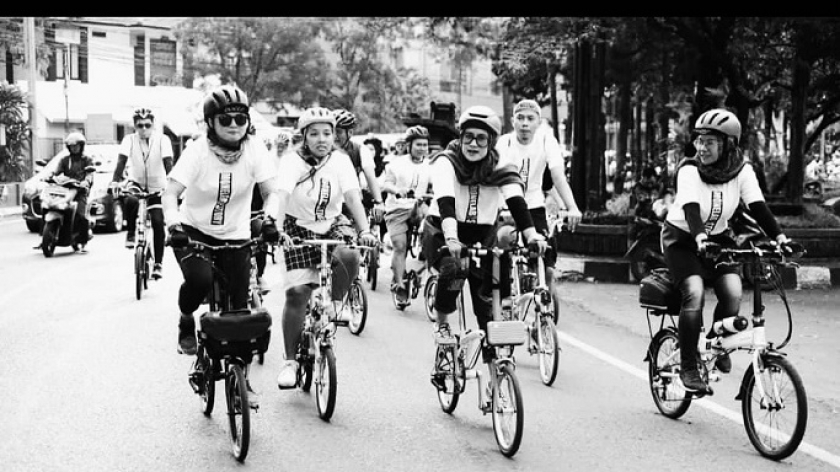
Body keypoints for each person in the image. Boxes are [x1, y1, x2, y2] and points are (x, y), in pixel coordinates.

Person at [663, 108, 794, 394]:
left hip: (718, 237)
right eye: (699, 140)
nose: (701, 147)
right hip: (682, 239)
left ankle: (714, 340)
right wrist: (698, 236)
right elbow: (690, 207)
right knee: (694, 292)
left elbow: (758, 206)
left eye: (710, 142)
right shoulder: (689, 169)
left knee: (733, 292)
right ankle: (688, 366)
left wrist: (781, 238)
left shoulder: (742, 170)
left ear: (728, 144)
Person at [162, 84, 281, 368]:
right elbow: (170, 193)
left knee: (239, 311)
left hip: (236, 234)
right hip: (193, 232)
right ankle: (187, 319)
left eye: (241, 118)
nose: (234, 125)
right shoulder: (198, 151)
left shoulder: (254, 150)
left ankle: (238, 378)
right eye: (225, 119)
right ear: (211, 122)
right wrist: (173, 225)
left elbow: (270, 192)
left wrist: (269, 219)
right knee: (199, 281)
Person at [423, 105, 549, 372]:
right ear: (461, 136)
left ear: (491, 141)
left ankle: (495, 367)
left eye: (481, 138)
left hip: (482, 235)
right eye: (468, 136)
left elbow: (517, 202)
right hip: (444, 231)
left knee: (488, 303)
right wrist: (452, 238)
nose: (473, 144)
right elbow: (446, 202)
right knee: (455, 271)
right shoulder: (447, 161)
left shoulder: (500, 164)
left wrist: (532, 236)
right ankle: (443, 327)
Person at [273, 107, 378, 389]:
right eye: (315, 133)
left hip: (332, 222)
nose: (322, 139)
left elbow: (353, 198)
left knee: (350, 252)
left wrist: (365, 229)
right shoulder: (291, 162)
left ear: (335, 137)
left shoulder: (341, 161)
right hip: (297, 226)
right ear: (304, 136)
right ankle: (290, 362)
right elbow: (281, 196)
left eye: (327, 133)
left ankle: (333, 303)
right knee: (297, 294)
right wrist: (278, 228)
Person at [495, 99, 582, 289]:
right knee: (501, 247)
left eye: (530, 118)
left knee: (547, 257)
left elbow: (558, 176)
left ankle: (544, 300)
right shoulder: (504, 143)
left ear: (538, 122)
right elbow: (504, 180)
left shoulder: (546, 140)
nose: (525, 123)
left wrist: (572, 207)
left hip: (534, 207)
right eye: (520, 118)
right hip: (506, 208)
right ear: (513, 121)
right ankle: (504, 298)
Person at [110, 107, 174, 280]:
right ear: (135, 126)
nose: (144, 129)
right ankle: (131, 233)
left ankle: (158, 264)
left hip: (157, 185)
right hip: (136, 182)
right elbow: (121, 161)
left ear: (153, 125)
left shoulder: (163, 140)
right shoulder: (129, 140)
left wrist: (172, 184)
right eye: (140, 126)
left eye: (147, 125)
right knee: (130, 200)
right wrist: (115, 181)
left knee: (158, 221)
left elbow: (168, 163)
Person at [381, 125, 432, 303]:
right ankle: (400, 284)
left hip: (420, 206)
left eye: (425, 145)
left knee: (437, 237)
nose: (422, 149)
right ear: (408, 145)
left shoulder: (430, 165)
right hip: (397, 209)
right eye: (418, 145)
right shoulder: (396, 164)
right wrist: (397, 190)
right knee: (400, 246)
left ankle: (425, 273)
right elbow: (386, 184)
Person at [41, 132, 95, 253]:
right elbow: (56, 171)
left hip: (81, 191)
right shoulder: (65, 160)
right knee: (46, 206)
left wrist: (86, 182)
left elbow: (89, 174)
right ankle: (45, 236)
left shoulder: (87, 160)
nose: (74, 148)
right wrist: (49, 176)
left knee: (81, 214)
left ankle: (83, 241)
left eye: (76, 145)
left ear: (81, 146)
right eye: (71, 146)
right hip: (65, 188)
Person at [332, 109, 385, 222]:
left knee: (361, 236)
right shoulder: (322, 149)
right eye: (331, 131)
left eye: (339, 132)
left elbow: (370, 177)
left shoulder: (360, 150)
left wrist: (378, 202)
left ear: (350, 133)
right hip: (326, 204)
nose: (334, 136)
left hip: (350, 203)